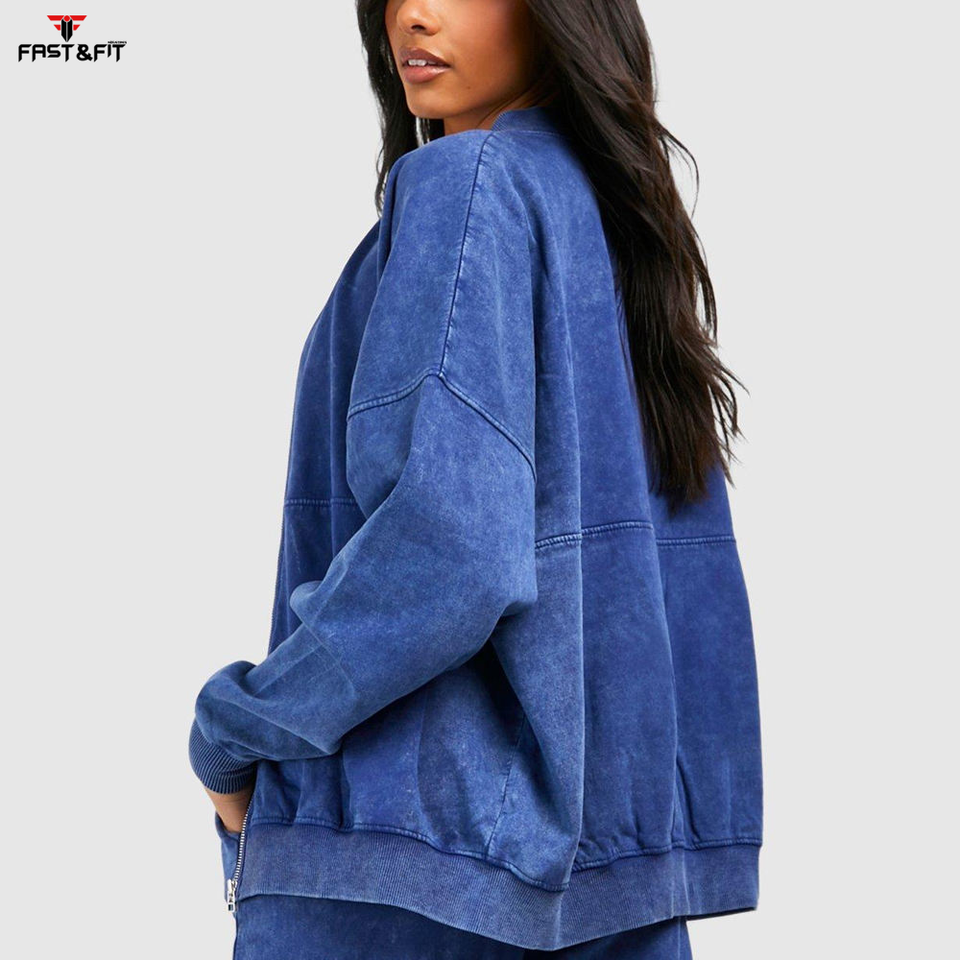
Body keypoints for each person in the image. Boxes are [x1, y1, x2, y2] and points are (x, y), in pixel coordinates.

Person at [187, 1, 763, 957]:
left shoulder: (469, 184)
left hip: (410, 865)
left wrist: (240, 731)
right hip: (602, 878)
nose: (414, 14)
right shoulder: (610, 219)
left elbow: (452, 547)